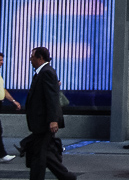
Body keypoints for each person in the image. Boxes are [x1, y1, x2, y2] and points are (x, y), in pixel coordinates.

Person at [24, 46, 76, 180]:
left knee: (39, 154)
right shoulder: (42, 72)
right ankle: (66, 176)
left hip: (44, 121)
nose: (30, 59)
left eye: (32, 57)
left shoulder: (47, 72)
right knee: (44, 152)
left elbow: (52, 98)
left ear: (40, 58)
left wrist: (53, 120)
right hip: (40, 121)